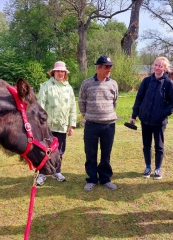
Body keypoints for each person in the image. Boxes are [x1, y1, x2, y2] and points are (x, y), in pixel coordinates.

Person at [130, 56, 173, 180]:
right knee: (146, 145)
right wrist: (134, 115)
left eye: (160, 66)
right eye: (156, 65)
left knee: (159, 146)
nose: (157, 67)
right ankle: (148, 167)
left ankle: (158, 169)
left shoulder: (168, 83)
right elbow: (139, 98)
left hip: (159, 122)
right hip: (145, 119)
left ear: (165, 68)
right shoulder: (146, 81)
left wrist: (162, 113)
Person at [78, 55, 118, 191]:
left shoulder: (113, 84)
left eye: (110, 67)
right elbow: (81, 102)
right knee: (90, 153)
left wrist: (107, 115)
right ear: (98, 68)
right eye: (106, 67)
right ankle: (92, 179)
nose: (109, 69)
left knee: (106, 153)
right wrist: (88, 116)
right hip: (91, 125)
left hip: (109, 125)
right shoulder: (87, 83)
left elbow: (115, 102)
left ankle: (105, 178)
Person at [36, 61, 77, 185]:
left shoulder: (68, 88)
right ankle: (42, 174)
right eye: (58, 71)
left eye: (63, 71)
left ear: (65, 73)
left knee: (59, 151)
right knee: (44, 149)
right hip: (47, 126)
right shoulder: (46, 86)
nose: (60, 73)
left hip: (62, 126)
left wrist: (72, 124)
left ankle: (57, 171)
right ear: (53, 72)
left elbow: (72, 107)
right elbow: (40, 106)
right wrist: (39, 124)